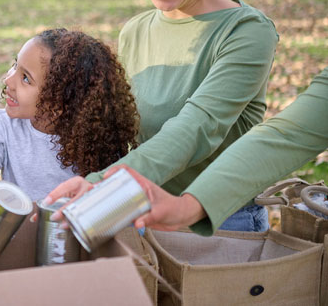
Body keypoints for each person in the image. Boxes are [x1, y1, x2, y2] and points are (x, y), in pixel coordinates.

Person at [46, 0, 279, 232]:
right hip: (140, 213)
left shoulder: (247, 32)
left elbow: (196, 128)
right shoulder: (136, 31)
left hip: (222, 223)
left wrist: (105, 182)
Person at [92, 66, 328, 235]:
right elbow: (284, 135)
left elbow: (201, 122)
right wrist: (100, 188)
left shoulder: (249, 29)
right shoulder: (136, 29)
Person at [0, 29, 139, 200]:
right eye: (16, 65)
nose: (8, 80)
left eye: (25, 78)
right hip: (19, 227)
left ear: (61, 102)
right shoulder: (2, 126)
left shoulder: (93, 142)